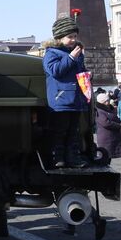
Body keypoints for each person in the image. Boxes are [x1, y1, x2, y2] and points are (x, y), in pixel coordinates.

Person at [43, 17, 88, 168]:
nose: (73, 40)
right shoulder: (51, 53)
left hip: (76, 99)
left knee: (73, 132)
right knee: (60, 131)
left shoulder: (77, 52)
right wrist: (71, 58)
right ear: (59, 37)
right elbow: (56, 71)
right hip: (60, 100)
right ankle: (58, 158)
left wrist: (86, 74)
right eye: (70, 37)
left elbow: (78, 71)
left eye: (75, 36)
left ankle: (73, 158)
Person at [95, 92, 121, 159]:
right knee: (105, 156)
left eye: (108, 100)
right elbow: (105, 123)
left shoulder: (109, 108)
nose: (108, 102)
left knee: (109, 156)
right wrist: (118, 125)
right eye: (106, 101)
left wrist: (120, 122)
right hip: (106, 137)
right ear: (102, 102)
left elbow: (114, 118)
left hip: (111, 136)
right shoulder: (99, 111)